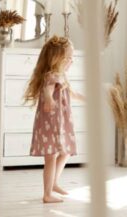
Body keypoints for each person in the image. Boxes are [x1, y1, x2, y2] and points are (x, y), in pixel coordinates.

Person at [24, 36, 85, 203]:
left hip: (61, 122)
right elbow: (47, 90)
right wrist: (49, 99)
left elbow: (71, 93)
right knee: (51, 156)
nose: (71, 60)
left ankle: (54, 183)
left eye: (72, 57)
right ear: (57, 59)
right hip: (51, 122)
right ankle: (47, 193)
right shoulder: (52, 76)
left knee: (65, 152)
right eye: (68, 57)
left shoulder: (61, 76)